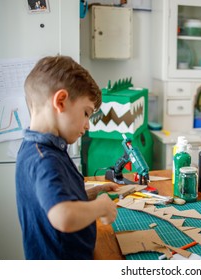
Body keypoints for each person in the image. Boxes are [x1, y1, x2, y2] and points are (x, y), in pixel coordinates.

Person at [16, 55, 119, 259]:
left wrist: (93, 191)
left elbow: (55, 197)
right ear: (61, 101)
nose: (88, 124)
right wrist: (101, 206)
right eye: (86, 113)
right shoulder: (45, 159)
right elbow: (62, 216)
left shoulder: (36, 149)